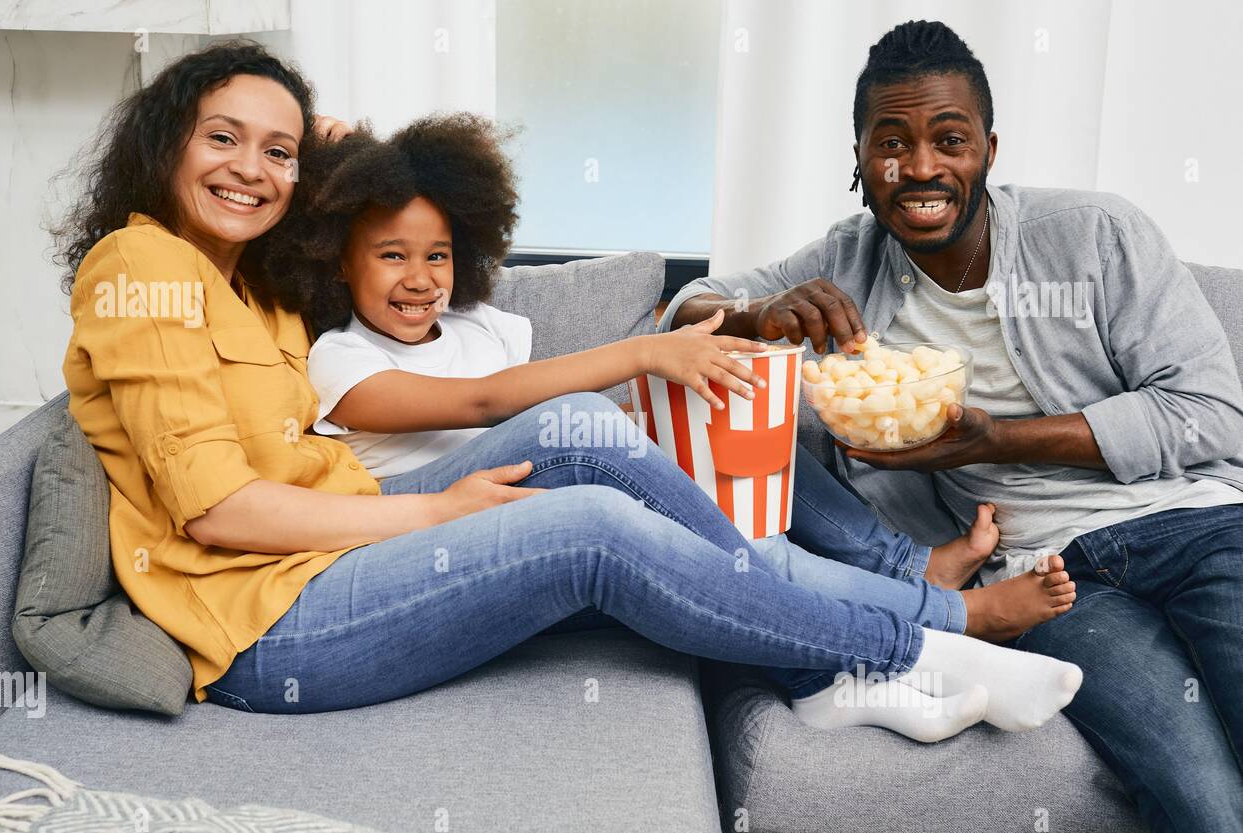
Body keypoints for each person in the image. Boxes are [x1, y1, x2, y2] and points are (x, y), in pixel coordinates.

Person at [55, 40, 1081, 752]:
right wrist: (435, 511)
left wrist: (316, 149)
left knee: (580, 427)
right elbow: (217, 509)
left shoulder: (253, 277)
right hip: (264, 625)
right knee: (588, 528)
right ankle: (889, 650)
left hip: (336, 549)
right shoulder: (138, 266)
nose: (251, 170)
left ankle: (845, 641)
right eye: (219, 138)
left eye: (274, 149)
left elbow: (344, 212)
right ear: (164, 143)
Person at [662, 19, 1243, 833]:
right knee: (1200, 798)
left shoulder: (1097, 234)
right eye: (891, 143)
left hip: (1200, 527)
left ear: (990, 151)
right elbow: (679, 314)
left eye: (949, 139)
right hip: (1047, 572)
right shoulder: (846, 260)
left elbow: (1212, 412)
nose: (922, 167)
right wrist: (757, 315)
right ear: (859, 162)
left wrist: (990, 441)